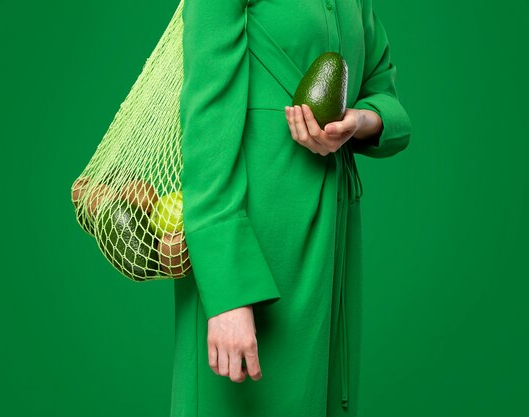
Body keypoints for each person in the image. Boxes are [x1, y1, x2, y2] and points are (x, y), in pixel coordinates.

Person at [172, 0, 411, 416]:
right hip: (254, 244)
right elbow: (206, 130)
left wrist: (358, 120)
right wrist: (228, 295)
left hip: (330, 234)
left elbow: (385, 96)